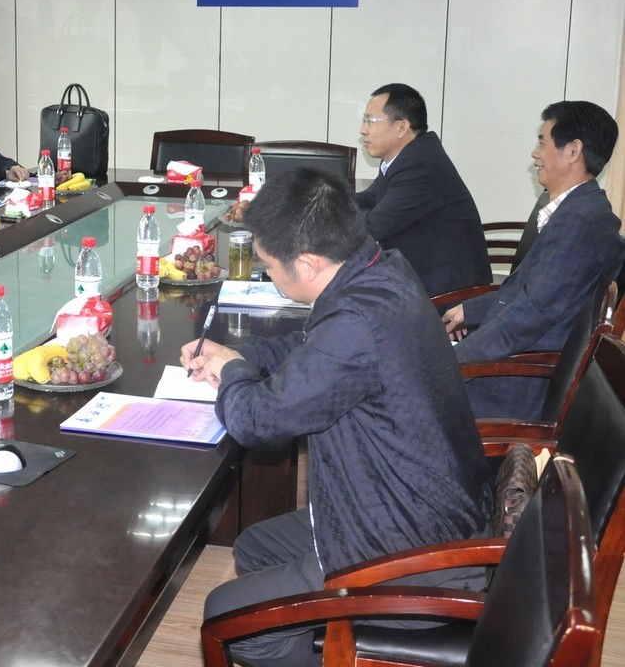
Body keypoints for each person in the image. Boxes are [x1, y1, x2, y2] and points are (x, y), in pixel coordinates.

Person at [183, 167, 491, 667]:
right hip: (411, 506)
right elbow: (313, 349)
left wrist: (233, 372)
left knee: (228, 619)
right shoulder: (377, 269)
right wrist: (241, 355)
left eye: (269, 266)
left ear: (306, 264)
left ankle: (320, 628)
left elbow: (259, 420)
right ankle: (319, 631)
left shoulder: (357, 321)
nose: (268, 275)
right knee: (256, 547)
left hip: (411, 553)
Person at [443, 100, 625, 418]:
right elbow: (529, 294)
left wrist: (450, 363)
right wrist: (468, 311)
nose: (534, 153)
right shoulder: (583, 210)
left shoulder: (578, 222)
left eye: (542, 142)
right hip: (517, 363)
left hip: (514, 385)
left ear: (573, 151)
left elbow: (529, 316)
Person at [354, 83, 491, 296]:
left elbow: (375, 226)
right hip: (423, 272)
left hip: (448, 292)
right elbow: (370, 198)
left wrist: (329, 215)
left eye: (370, 121)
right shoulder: (406, 157)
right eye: (364, 120)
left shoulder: (419, 165)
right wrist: (326, 202)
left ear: (401, 127)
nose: (363, 130)